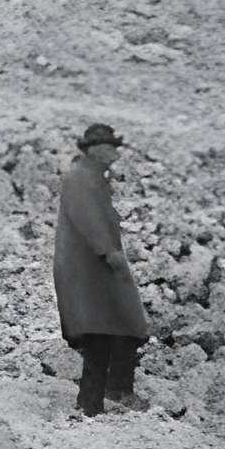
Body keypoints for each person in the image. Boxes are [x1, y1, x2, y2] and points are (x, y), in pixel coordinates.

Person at [53, 121, 151, 415]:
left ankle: (112, 391)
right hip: (89, 269)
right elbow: (89, 219)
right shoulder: (80, 178)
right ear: (93, 150)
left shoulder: (92, 176)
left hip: (96, 268)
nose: (114, 153)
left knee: (118, 330)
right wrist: (108, 251)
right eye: (108, 148)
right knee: (102, 333)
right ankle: (93, 403)